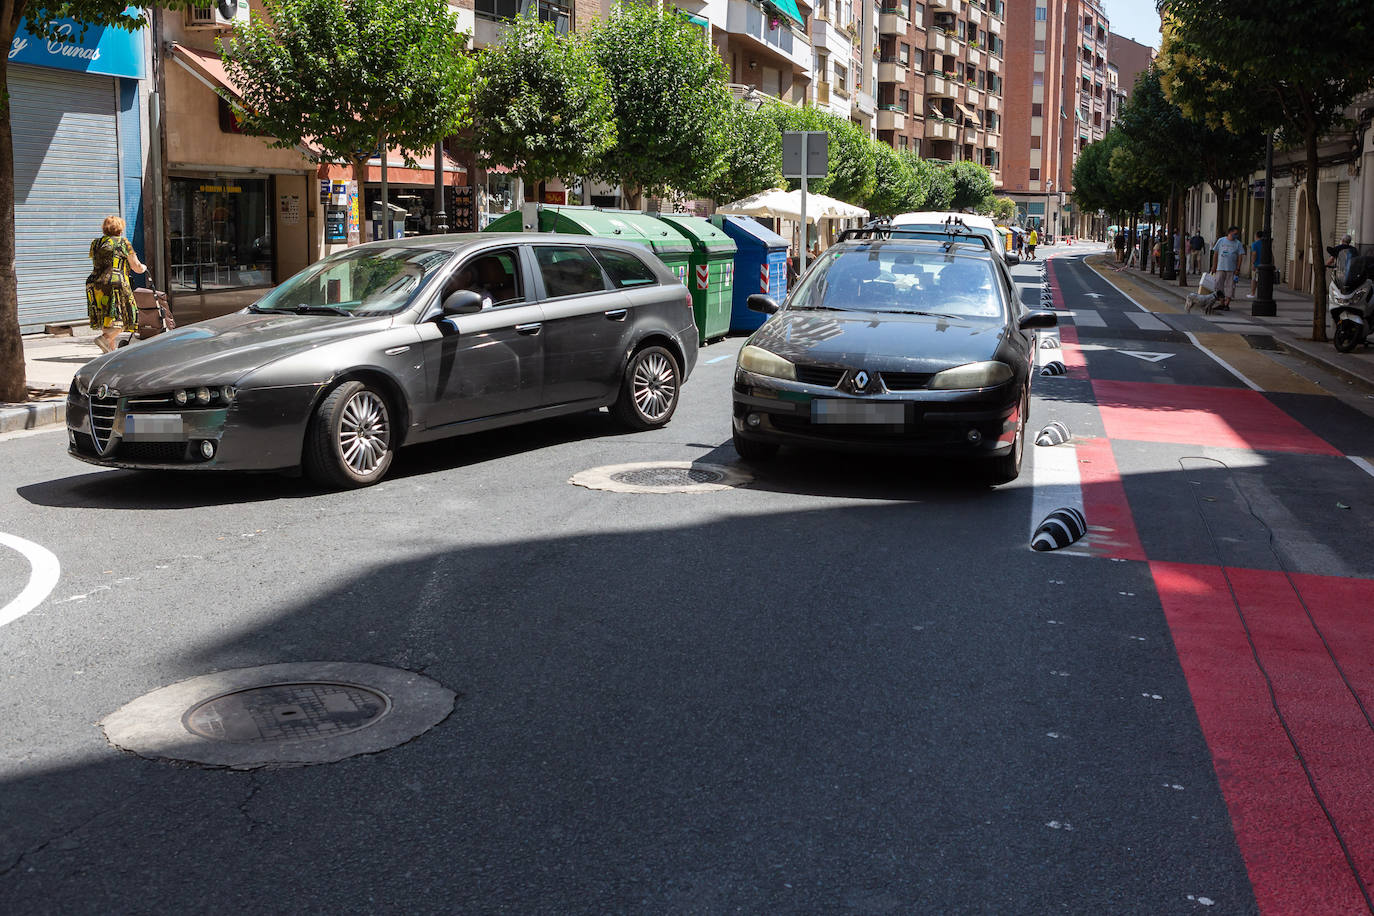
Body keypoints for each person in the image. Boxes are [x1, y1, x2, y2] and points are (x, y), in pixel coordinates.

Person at [86, 215, 146, 353]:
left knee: (106, 318)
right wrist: (143, 268)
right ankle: (105, 339)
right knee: (127, 317)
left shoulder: (95, 243)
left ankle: (110, 352)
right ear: (120, 228)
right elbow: (136, 266)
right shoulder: (123, 243)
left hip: (96, 285)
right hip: (116, 285)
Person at [1210, 225, 1244, 309]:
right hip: (1220, 267)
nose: (1236, 235)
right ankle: (1221, 302)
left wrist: (1238, 268)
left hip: (1232, 268)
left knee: (1230, 286)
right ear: (1230, 232)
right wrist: (1214, 265)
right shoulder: (1221, 240)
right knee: (1218, 284)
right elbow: (1216, 254)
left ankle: (1227, 304)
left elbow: (1240, 256)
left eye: (1237, 234)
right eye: (1235, 233)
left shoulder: (1238, 243)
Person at [1248, 230, 1266, 297]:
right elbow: (1271, 255)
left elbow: (1254, 254)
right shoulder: (1265, 244)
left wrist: (1253, 263)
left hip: (1257, 265)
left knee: (1254, 279)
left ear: (1256, 236)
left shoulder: (1255, 244)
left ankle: (1252, 293)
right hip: (1265, 265)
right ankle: (1262, 294)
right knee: (1263, 280)